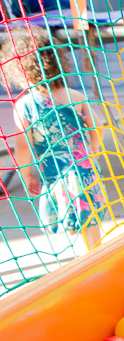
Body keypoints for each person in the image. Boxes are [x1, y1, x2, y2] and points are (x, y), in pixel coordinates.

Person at [0, 28, 105, 245]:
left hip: (57, 173)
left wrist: (26, 173)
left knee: (69, 216)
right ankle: (95, 251)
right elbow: (98, 124)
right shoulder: (74, 95)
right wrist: (93, 149)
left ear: (20, 73)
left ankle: (83, 257)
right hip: (85, 167)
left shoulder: (25, 105)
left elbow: (23, 143)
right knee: (89, 216)